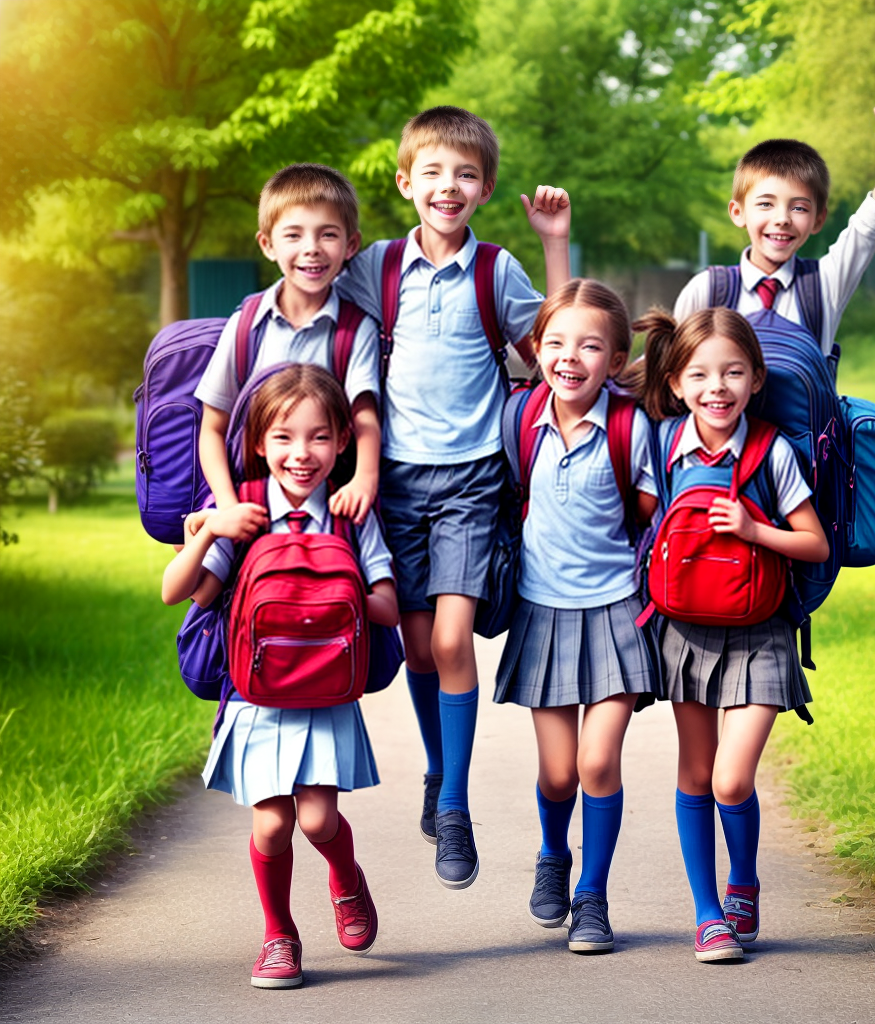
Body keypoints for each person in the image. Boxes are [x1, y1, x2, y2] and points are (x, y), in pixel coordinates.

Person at [333, 105, 572, 888]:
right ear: (405, 182)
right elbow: (313, 288)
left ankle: (457, 805)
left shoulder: (494, 270)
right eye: (432, 172)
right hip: (395, 481)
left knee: (451, 640)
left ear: (486, 189)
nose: (449, 186)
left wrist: (554, 244)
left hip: (473, 478)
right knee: (416, 645)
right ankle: (438, 773)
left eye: (466, 175)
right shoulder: (377, 265)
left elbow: (556, 343)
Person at [162, 364, 399, 989]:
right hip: (257, 694)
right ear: (259, 442)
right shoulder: (241, 509)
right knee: (271, 825)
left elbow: (387, 605)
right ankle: (279, 934)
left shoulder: (349, 514)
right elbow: (179, 592)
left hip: (324, 691)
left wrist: (330, 588)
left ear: (343, 441)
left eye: (319, 437)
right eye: (284, 437)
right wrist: (208, 530)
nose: (302, 453)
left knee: (318, 821)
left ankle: (345, 879)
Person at [632, 307, 830, 963]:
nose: (717, 387)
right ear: (676, 382)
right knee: (695, 774)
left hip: (760, 634)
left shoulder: (772, 451)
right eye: (699, 374)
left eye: (733, 372)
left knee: (730, 780)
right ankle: (708, 913)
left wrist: (753, 530)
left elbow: (814, 543)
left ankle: (743, 880)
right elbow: (638, 524)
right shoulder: (664, 445)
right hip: (685, 632)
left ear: (756, 378)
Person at [495, 279, 659, 954]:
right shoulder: (519, 418)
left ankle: (592, 896)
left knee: (597, 764)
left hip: (616, 613)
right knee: (559, 773)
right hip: (544, 615)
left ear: (616, 360)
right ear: (535, 348)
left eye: (590, 346)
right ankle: (554, 853)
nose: (570, 356)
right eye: (556, 342)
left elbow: (647, 512)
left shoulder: (630, 427)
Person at [674, 75, 875, 353]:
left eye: (798, 208)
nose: (782, 218)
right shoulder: (708, 290)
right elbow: (667, 366)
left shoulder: (824, 285)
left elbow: (866, 231)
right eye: (766, 204)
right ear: (738, 212)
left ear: (818, 219)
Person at [196, 163, 382, 525]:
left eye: (328, 235)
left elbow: (364, 417)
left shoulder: (355, 330)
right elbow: (212, 427)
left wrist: (364, 478)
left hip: (327, 513)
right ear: (268, 245)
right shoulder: (246, 326)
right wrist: (228, 506)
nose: (311, 249)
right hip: (249, 508)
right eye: (293, 235)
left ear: (351, 245)